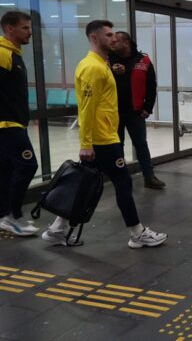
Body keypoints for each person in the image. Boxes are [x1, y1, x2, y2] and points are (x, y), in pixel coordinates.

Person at [42, 20, 167, 248]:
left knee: (85, 184)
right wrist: (86, 143)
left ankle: (57, 229)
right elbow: (87, 108)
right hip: (102, 140)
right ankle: (137, 233)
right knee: (123, 182)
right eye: (109, 35)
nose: (114, 39)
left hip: (104, 136)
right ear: (95, 38)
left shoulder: (102, 65)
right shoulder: (93, 67)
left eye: (114, 35)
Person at [109, 32, 166, 190]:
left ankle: (149, 177)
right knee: (116, 146)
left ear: (126, 43)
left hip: (135, 112)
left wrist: (148, 108)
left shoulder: (143, 60)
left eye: (116, 41)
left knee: (141, 145)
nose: (112, 43)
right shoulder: (107, 60)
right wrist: (112, 70)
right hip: (113, 113)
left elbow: (151, 86)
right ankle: (120, 179)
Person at [0, 11, 39, 236]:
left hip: (14, 123)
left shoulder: (15, 54)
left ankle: (5, 215)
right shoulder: (3, 54)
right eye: (25, 28)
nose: (30, 32)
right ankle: (14, 215)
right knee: (27, 165)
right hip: (7, 125)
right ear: (9, 29)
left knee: (6, 170)